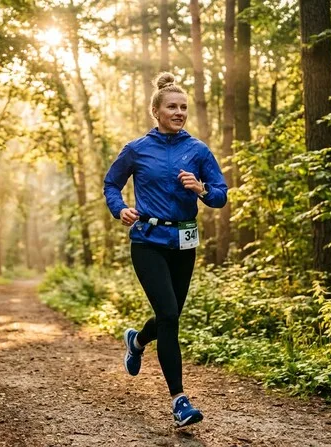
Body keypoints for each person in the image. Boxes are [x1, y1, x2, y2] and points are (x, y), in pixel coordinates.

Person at [102, 72, 228, 428]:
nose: (179, 112)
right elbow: (111, 183)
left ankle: (137, 340)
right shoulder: (137, 149)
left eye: (183, 107)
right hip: (147, 241)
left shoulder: (198, 150)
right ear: (156, 111)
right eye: (172, 107)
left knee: (169, 316)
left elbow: (220, 195)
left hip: (184, 243)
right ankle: (179, 401)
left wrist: (201, 189)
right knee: (170, 315)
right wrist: (120, 209)